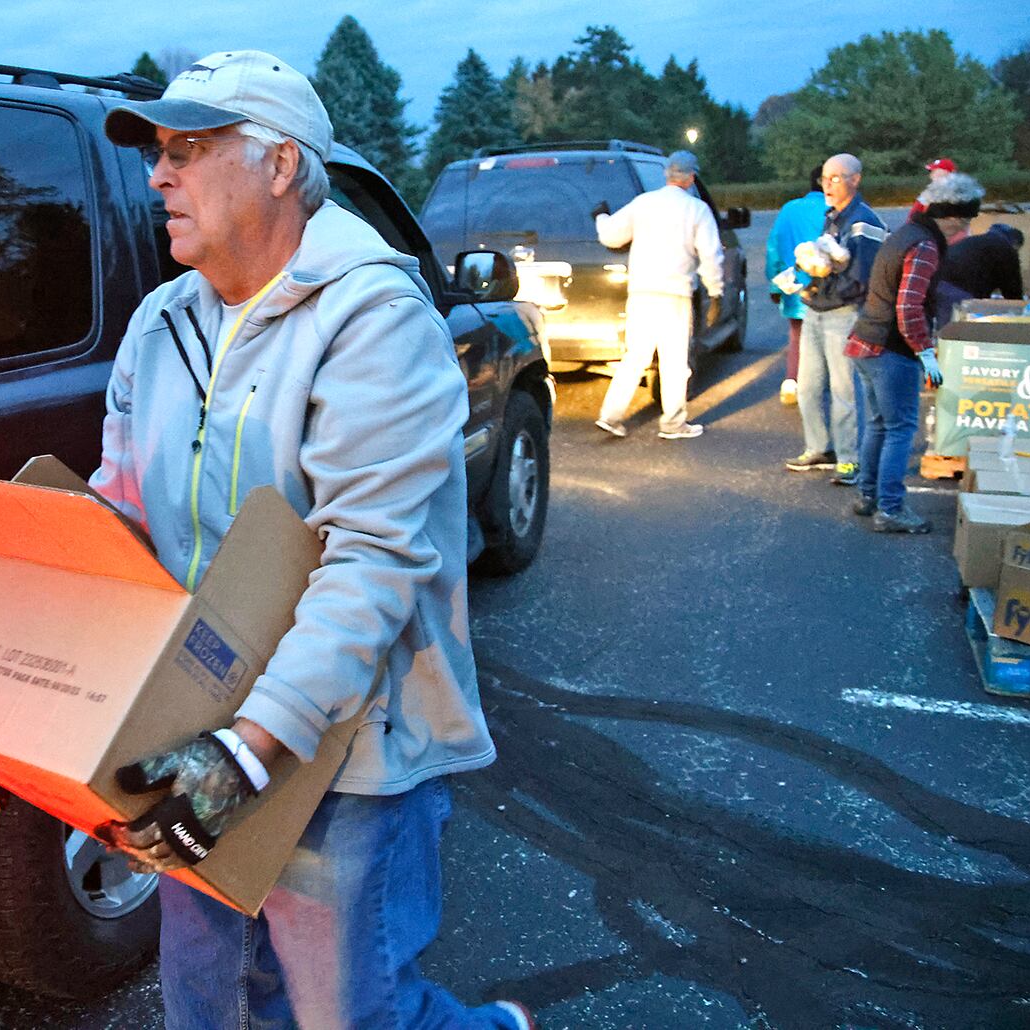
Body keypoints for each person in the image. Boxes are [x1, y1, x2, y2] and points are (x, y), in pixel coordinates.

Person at [91, 50, 538, 1030]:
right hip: (200, 731)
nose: (158, 174)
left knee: (352, 1016)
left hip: (344, 745)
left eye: (188, 149)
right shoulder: (161, 323)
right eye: (156, 153)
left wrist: (247, 752)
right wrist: (38, 705)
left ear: (281, 165)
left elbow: (374, 558)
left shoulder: (374, 319)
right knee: (208, 1005)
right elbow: (121, 514)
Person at [845, 173, 984, 532]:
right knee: (900, 429)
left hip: (865, 341)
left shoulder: (905, 233)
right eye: (966, 220)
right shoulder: (924, 245)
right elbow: (909, 307)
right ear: (952, 215)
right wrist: (925, 352)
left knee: (878, 425)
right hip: (891, 348)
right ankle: (890, 509)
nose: (965, 228)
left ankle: (868, 496)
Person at [591, 149, 724, 441]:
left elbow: (611, 235)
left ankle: (611, 416)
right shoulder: (697, 210)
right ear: (691, 178)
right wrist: (715, 292)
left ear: (667, 174)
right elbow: (711, 255)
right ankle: (673, 422)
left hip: (641, 293)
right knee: (674, 360)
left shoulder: (643, 204)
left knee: (635, 356)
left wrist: (601, 216)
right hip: (675, 295)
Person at [786, 153, 886, 484]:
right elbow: (825, 260)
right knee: (809, 387)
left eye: (836, 178)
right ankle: (818, 448)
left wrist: (823, 284)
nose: (828, 185)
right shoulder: (832, 216)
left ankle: (848, 459)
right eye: (825, 178)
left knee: (843, 390)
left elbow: (860, 277)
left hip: (843, 314)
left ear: (855, 180)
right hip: (816, 310)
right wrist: (806, 279)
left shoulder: (864, 222)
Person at [766, 165, 827, 405]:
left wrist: (774, 285)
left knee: (797, 334)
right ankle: (817, 383)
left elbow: (774, 247)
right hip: (830, 288)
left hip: (794, 285)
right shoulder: (837, 210)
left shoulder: (790, 209)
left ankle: (791, 380)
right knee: (829, 336)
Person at [941, 223, 1026, 301]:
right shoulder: (1007, 249)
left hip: (939, 281)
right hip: (960, 288)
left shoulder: (978, 240)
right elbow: (1013, 290)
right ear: (1015, 243)